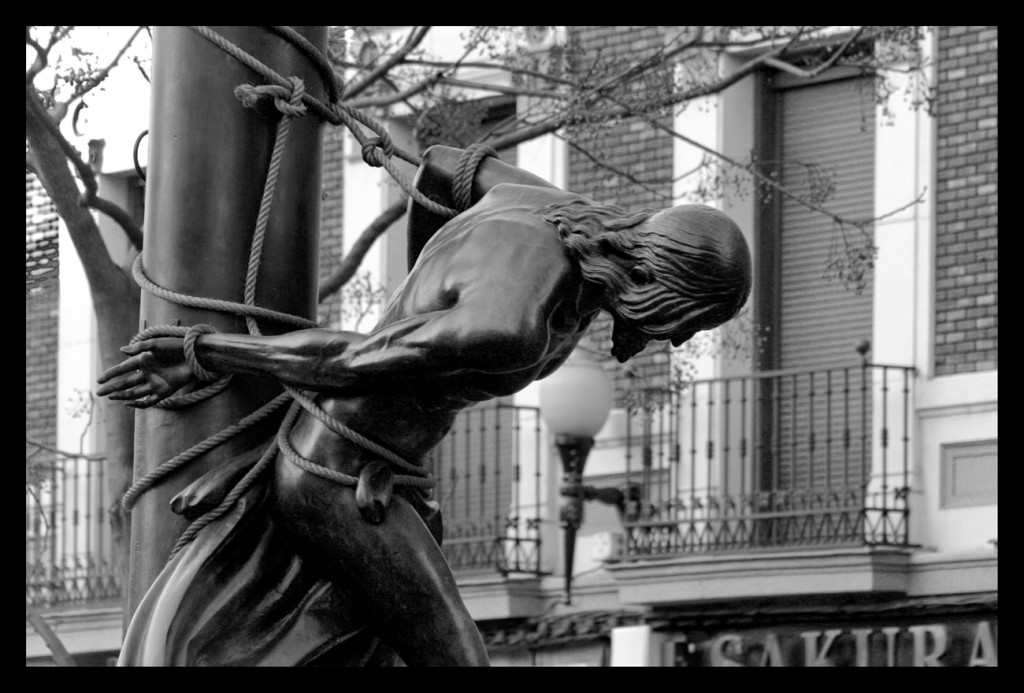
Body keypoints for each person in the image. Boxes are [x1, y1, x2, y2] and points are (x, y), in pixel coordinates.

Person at [97, 145, 752, 666]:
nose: (676, 338)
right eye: (686, 320)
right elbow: (356, 362)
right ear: (657, 282)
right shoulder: (508, 324)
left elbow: (442, 167)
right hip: (335, 480)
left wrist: (425, 288)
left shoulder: (545, 204)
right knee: (456, 652)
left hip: (382, 475)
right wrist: (208, 350)